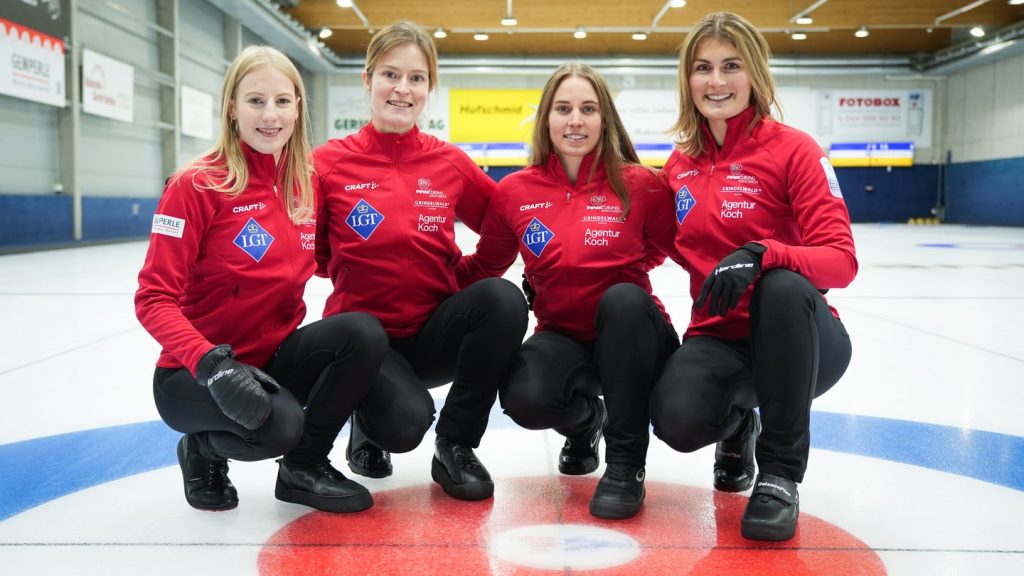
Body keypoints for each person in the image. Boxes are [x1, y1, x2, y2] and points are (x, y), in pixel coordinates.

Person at [136, 46, 388, 514]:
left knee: (362, 332)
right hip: (196, 373)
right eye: (255, 101)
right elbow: (152, 298)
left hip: (271, 359)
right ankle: (201, 450)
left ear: (298, 108)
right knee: (279, 425)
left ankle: (305, 468)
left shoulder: (305, 183)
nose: (270, 115)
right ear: (232, 107)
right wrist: (211, 364)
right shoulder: (195, 186)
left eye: (282, 101)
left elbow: (330, 259)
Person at [650, 12, 857, 541]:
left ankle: (780, 476)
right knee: (675, 420)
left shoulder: (796, 150)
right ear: (687, 80)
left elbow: (841, 261)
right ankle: (740, 422)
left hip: (800, 337)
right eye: (702, 68)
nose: (715, 81)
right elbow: (656, 246)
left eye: (730, 66)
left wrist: (765, 253)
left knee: (783, 286)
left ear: (755, 74)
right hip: (718, 335)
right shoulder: (679, 165)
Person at [314, 21, 529, 501]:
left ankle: (456, 445)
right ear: (367, 80)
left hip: (433, 334)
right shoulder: (327, 164)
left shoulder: (449, 163)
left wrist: (464, 277)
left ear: (429, 88)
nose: (402, 89)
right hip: (365, 343)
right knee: (402, 426)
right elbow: (310, 251)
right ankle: (364, 419)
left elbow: (504, 226)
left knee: (503, 300)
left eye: (416, 78)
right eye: (391, 75)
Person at [457, 62, 680, 520]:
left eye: (587, 109)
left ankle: (624, 467)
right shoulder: (515, 191)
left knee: (621, 300)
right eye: (563, 109)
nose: (575, 120)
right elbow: (485, 266)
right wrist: (421, 276)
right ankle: (584, 425)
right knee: (526, 396)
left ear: (605, 119)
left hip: (635, 336)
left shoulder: (642, 184)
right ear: (546, 119)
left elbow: (674, 249)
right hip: (562, 336)